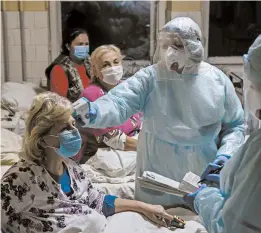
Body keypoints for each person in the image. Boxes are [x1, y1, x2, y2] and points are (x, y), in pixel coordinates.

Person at [75, 17, 245, 206]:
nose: (170, 52)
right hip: (156, 173)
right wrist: (95, 111)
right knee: (154, 218)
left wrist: (225, 155)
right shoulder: (150, 77)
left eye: (178, 45)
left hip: (201, 171)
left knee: (199, 218)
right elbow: (119, 102)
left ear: (194, 46)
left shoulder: (217, 81)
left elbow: (235, 125)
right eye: (165, 45)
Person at [1, 92, 173, 233]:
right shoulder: (20, 180)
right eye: (65, 128)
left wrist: (145, 208)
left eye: (73, 124)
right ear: (43, 140)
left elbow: (97, 201)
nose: (75, 131)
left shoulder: (73, 169)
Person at [184, 35, 261, 233]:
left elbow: (234, 226)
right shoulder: (153, 78)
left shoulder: (216, 79)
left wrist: (204, 198)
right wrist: (232, 169)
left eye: (255, 86)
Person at [77, 45, 142, 161]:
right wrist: (146, 147)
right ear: (96, 71)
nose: (112, 68)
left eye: (116, 62)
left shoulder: (126, 87)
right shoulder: (90, 95)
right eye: (106, 65)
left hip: (132, 143)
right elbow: (112, 139)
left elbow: (141, 118)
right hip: (101, 152)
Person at [45, 28, 91, 103]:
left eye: (86, 44)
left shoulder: (89, 61)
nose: (84, 48)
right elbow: (60, 105)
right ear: (68, 46)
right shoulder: (59, 69)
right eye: (80, 44)